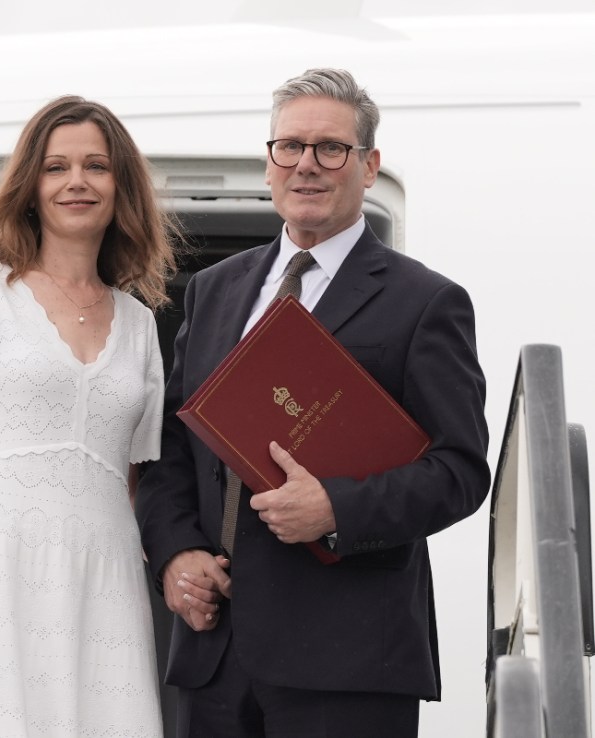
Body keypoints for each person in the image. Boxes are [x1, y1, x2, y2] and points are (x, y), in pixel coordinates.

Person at [135, 68, 491, 737]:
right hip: (214, 655)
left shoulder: (425, 302)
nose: (307, 165)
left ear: (367, 165)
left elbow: (460, 472)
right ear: (267, 163)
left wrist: (335, 509)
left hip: (349, 660)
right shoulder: (213, 290)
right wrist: (176, 552)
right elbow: (170, 448)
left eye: (330, 148)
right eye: (289, 147)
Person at [0, 95, 179, 736]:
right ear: (30, 185)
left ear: (120, 185)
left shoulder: (140, 325)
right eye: (56, 167)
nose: (77, 182)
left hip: (105, 576)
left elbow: (139, 482)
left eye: (96, 166)